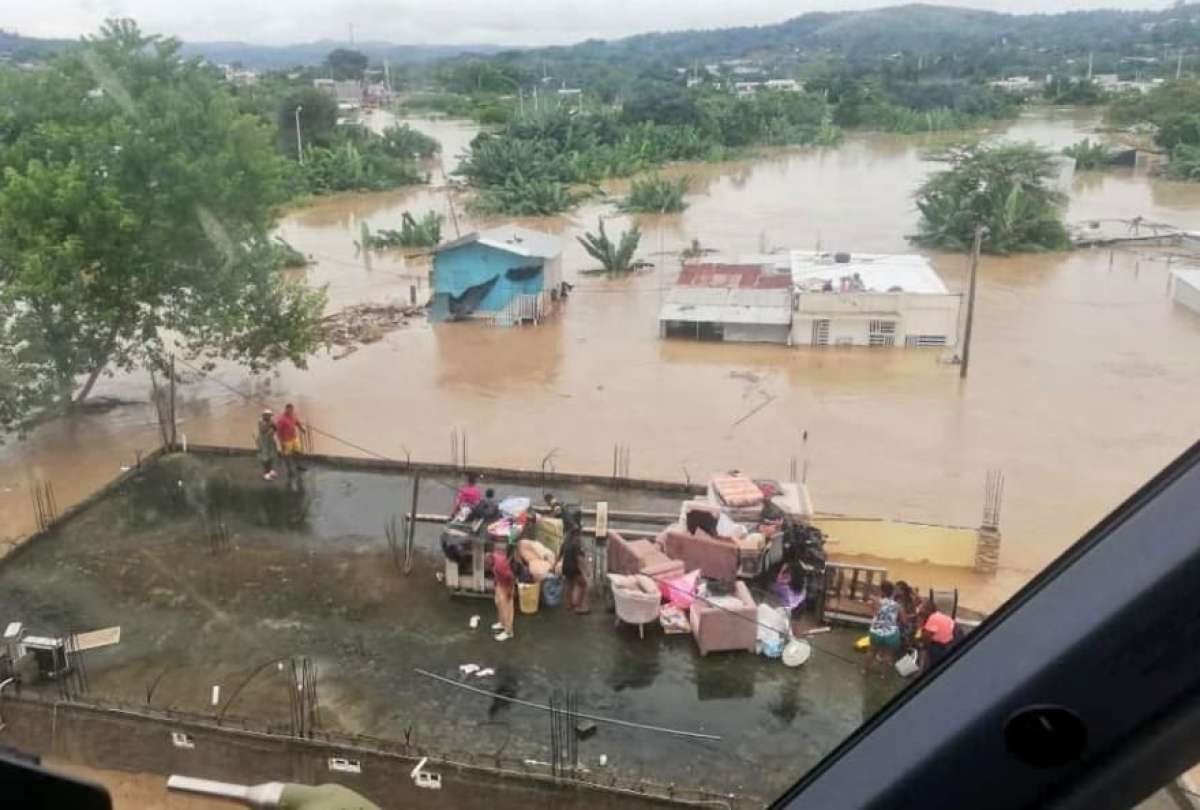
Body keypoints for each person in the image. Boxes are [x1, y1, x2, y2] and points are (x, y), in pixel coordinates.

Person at [865, 581, 901, 678]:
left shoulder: (876, 601)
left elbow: (874, 612)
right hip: (891, 632)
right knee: (887, 654)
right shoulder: (897, 605)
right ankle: (883, 675)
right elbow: (903, 619)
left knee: (871, 651)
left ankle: (865, 670)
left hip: (876, 630)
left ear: (882, 591)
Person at [557, 528, 589, 614]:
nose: (580, 537)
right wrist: (584, 570)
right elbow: (578, 559)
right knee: (583, 585)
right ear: (576, 535)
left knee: (569, 585)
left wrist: (553, 566)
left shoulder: (565, 543)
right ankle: (579, 606)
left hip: (565, 568)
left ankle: (569, 605)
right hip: (573, 568)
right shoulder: (576, 544)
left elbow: (559, 556)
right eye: (579, 535)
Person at [919, 599, 957, 670]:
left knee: (927, 649)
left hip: (945, 646)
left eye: (922, 609)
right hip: (954, 639)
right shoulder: (938, 614)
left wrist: (921, 624)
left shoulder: (932, 619)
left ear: (928, 610)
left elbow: (925, 640)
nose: (920, 611)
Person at [490, 541, 516, 641]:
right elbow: (495, 571)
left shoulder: (503, 564)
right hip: (500, 582)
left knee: (507, 606)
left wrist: (510, 590)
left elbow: (511, 577)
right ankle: (501, 622)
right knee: (498, 602)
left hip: (507, 584)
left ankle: (508, 631)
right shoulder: (495, 556)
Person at [275, 403, 306, 482]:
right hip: (286, 440)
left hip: (294, 438)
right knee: (287, 455)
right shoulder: (281, 419)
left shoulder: (293, 416)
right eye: (289, 409)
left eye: (292, 409)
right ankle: (289, 470)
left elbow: (297, 422)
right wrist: (281, 441)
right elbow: (278, 431)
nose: (291, 411)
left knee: (298, 452)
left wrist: (301, 429)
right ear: (286, 409)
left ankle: (298, 466)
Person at [256, 410, 279, 481]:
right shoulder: (261, 421)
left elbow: (276, 428)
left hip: (270, 441)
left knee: (273, 456)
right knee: (265, 458)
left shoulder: (271, 421)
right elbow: (263, 429)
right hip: (263, 442)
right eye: (267, 415)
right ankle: (265, 474)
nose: (269, 417)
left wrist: (273, 427)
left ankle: (271, 471)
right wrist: (271, 426)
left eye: (270, 415)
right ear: (264, 415)